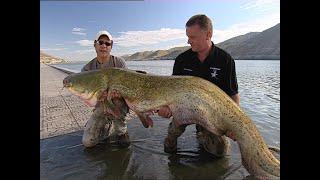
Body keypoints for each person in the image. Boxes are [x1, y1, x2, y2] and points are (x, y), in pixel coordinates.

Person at [157, 14, 240, 157]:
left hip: (211, 113)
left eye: (192, 37)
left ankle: (203, 134)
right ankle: (171, 141)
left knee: (220, 152)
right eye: (188, 36)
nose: (188, 41)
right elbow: (170, 90)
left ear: (208, 34)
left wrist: (234, 123)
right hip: (183, 108)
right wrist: (164, 107)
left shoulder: (226, 60)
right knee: (170, 145)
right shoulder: (182, 60)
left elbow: (232, 94)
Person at [81, 30, 130, 148]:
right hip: (101, 106)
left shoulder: (119, 63)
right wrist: (98, 97)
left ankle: (121, 131)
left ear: (111, 46)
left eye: (107, 44)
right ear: (95, 44)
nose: (104, 46)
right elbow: (88, 97)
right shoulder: (87, 69)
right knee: (88, 142)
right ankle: (107, 124)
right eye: (101, 42)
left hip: (119, 104)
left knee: (124, 143)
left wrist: (119, 94)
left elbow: (128, 87)